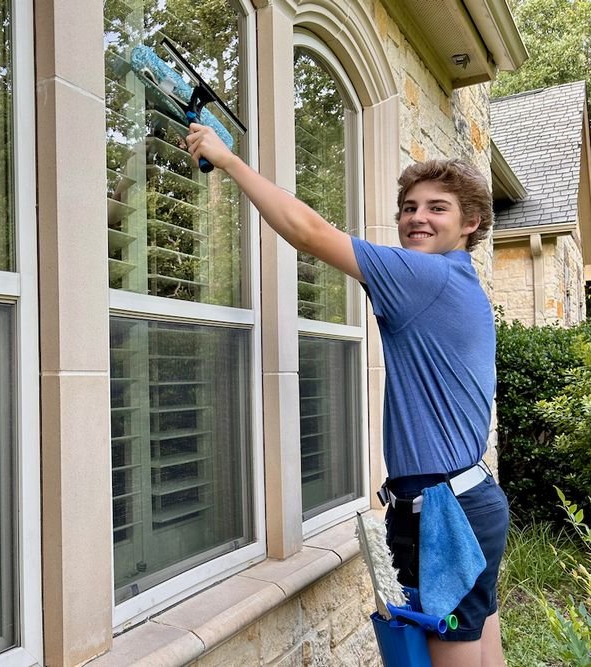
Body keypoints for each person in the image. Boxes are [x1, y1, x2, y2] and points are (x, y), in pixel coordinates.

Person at [186, 123, 509, 667]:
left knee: (448, 653)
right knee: (479, 640)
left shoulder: (424, 276)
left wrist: (229, 160)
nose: (417, 218)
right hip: (467, 500)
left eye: (437, 208)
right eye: (409, 207)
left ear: (470, 223)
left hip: (443, 514)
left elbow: (308, 231)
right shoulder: (449, 280)